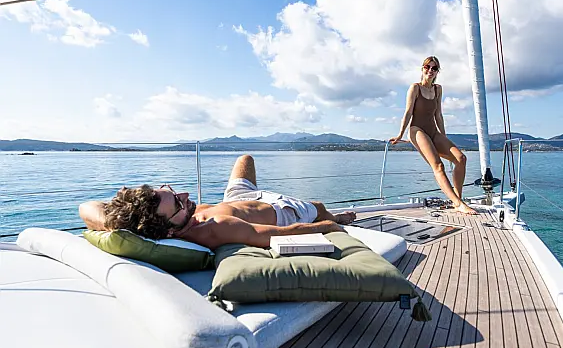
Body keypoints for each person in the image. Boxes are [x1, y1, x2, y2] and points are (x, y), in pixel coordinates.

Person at [79, 154, 357, 250]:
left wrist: (118, 220)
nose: (185, 195)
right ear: (169, 231)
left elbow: (86, 208)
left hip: (237, 199)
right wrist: (329, 226)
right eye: (178, 203)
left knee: (245, 160)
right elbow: (276, 235)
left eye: (170, 190)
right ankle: (338, 215)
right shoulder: (215, 228)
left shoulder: (169, 222)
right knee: (318, 207)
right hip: (280, 210)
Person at [389, 56, 477, 215]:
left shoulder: (438, 89)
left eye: (434, 68)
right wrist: (400, 135)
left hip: (433, 131)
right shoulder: (415, 88)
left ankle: (458, 199)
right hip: (417, 130)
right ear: (422, 68)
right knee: (438, 166)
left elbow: (438, 115)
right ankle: (458, 204)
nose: (430, 70)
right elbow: (408, 113)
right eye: (427, 67)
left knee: (461, 158)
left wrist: (444, 137)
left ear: (437, 71)